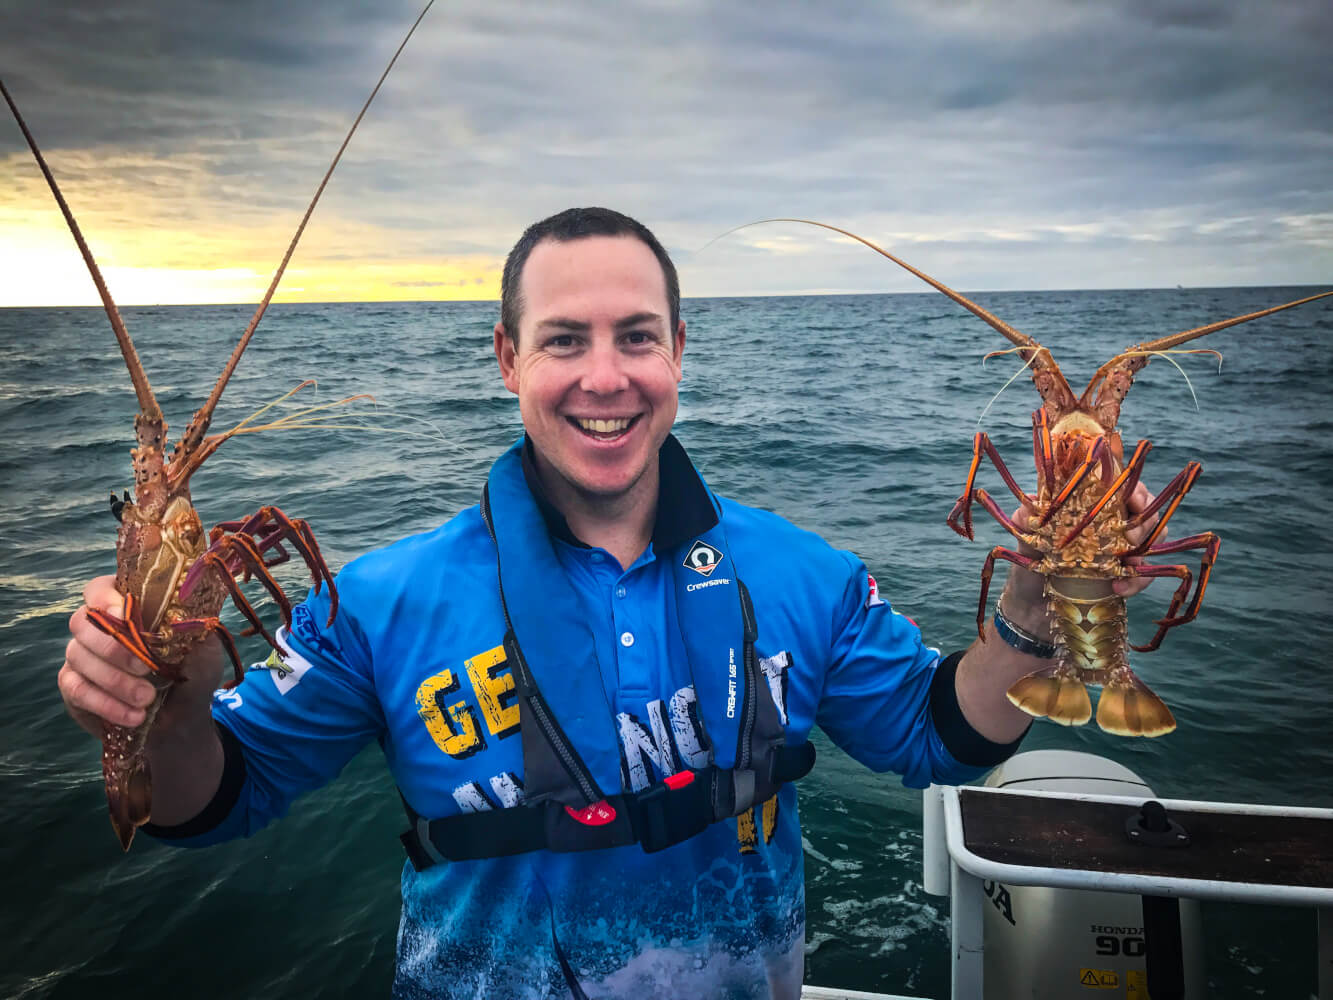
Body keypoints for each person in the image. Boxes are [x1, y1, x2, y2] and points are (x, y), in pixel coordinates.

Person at [61, 207, 1155, 999]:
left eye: (637, 335)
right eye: (563, 340)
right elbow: (212, 804)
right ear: (506, 359)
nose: (605, 375)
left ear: (679, 352)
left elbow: (936, 736)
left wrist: (1024, 610)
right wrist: (170, 707)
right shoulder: (377, 598)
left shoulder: (802, 573)